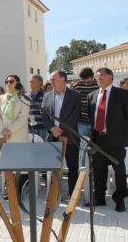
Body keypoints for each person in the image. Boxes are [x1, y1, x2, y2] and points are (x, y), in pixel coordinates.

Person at [87, 68, 128, 212]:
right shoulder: (91, 96)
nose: (98, 78)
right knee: (99, 170)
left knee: (119, 170)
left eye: (101, 76)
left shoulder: (122, 94)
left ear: (110, 76)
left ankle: (119, 199)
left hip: (116, 140)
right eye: (96, 76)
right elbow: (90, 118)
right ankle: (99, 198)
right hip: (98, 139)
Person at [42, 70, 81, 197]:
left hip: (70, 138)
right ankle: (54, 194)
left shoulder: (75, 95)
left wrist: (61, 129)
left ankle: (73, 195)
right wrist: (52, 128)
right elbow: (44, 115)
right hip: (53, 137)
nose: (51, 82)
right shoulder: (47, 95)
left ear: (63, 79)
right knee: (53, 167)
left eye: (53, 79)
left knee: (72, 167)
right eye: (50, 80)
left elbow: (76, 115)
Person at [0, 74, 30, 144]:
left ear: (17, 84)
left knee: (17, 155)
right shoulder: (1, 98)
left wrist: (10, 130)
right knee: (2, 155)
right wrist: (3, 130)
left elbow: (23, 118)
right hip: (3, 135)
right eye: (6, 82)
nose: (8, 83)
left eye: (11, 81)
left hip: (18, 136)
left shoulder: (24, 98)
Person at [72, 67, 98, 137]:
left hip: (95, 123)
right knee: (83, 145)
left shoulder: (98, 85)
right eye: (83, 81)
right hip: (81, 122)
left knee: (96, 146)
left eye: (88, 82)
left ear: (93, 77)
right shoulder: (77, 86)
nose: (86, 84)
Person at [26, 74, 46, 140]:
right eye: (30, 82)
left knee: (43, 148)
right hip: (30, 128)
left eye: (33, 82)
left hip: (43, 128)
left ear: (40, 83)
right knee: (31, 149)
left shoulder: (46, 96)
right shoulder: (26, 96)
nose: (30, 84)